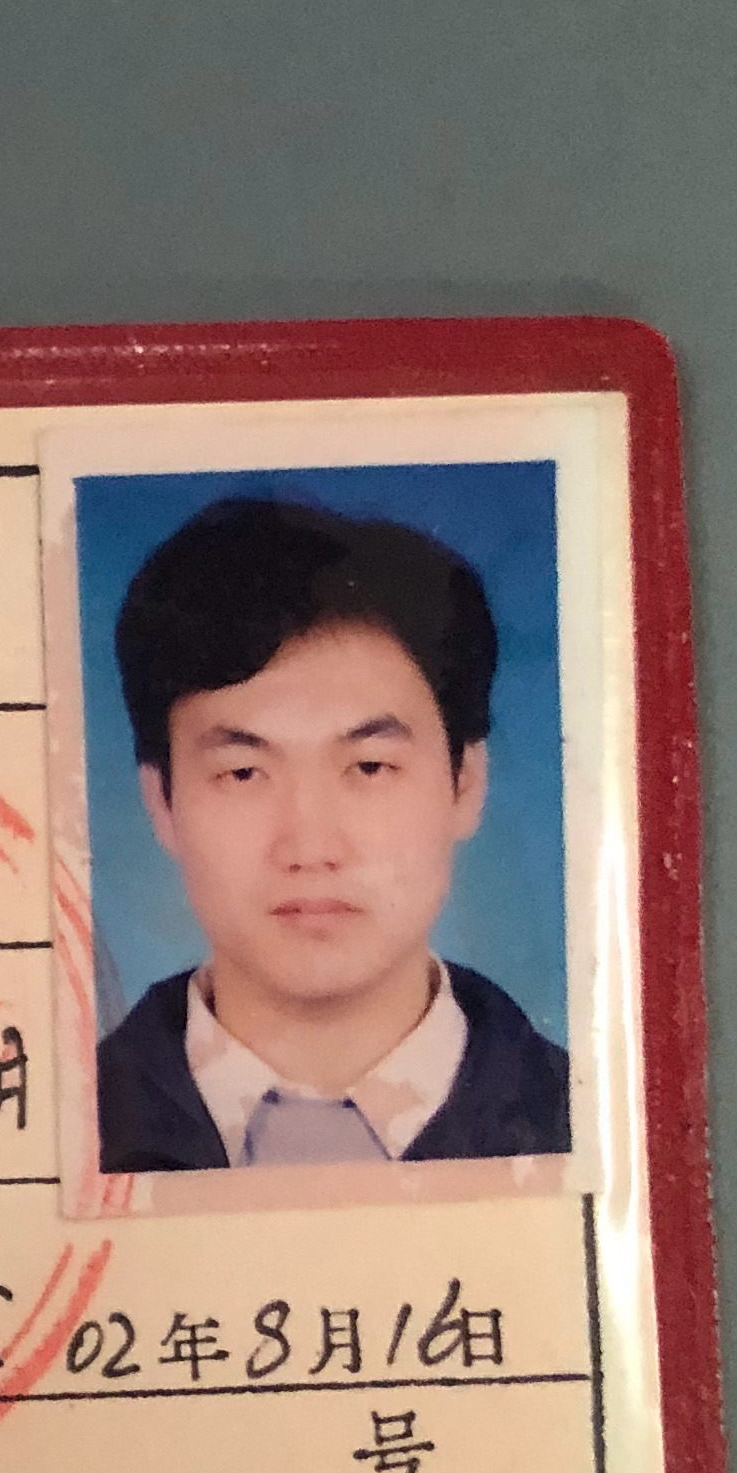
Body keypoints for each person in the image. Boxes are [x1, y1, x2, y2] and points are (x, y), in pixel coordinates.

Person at [95, 494, 572, 1171]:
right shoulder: (57, 1130)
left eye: (370, 767)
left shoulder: (599, 1120)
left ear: (465, 783)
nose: (310, 848)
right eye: (243, 773)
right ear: (162, 803)